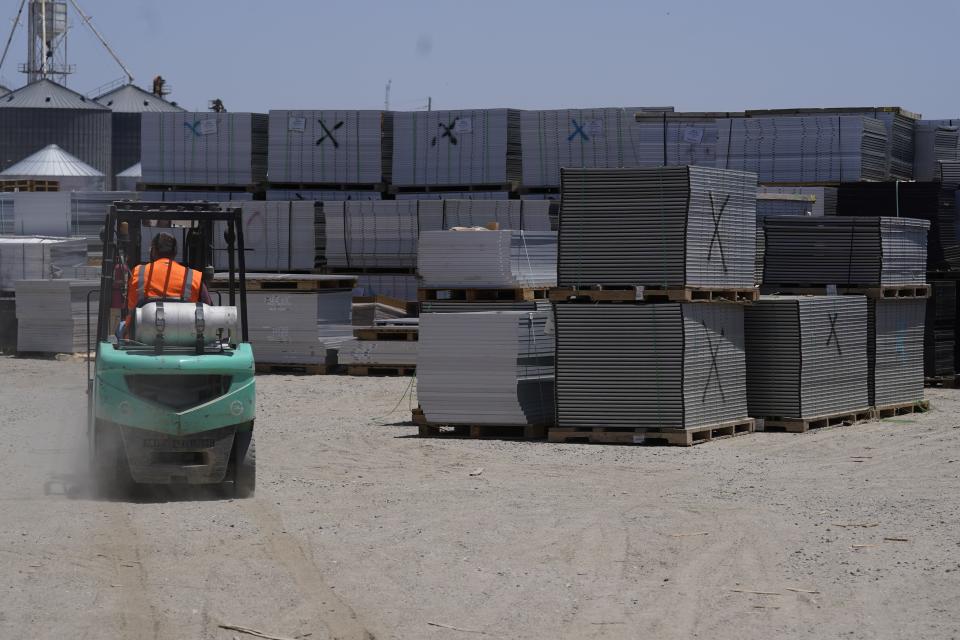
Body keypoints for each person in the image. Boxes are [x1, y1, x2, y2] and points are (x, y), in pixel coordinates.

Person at [121, 232, 211, 339]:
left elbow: (130, 306)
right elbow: (208, 310)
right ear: (175, 253)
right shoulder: (193, 276)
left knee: (120, 327)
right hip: (185, 338)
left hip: (139, 337)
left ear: (153, 251)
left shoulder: (138, 272)